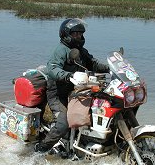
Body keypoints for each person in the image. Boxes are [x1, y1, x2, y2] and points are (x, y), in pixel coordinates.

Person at [35, 18, 109, 153]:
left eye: (80, 34)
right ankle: (40, 149)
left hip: (75, 91)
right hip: (58, 94)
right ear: (66, 34)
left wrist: (110, 68)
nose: (78, 36)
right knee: (63, 123)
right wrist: (69, 75)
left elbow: (93, 63)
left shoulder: (80, 50)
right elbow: (52, 68)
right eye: (75, 34)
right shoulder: (61, 50)